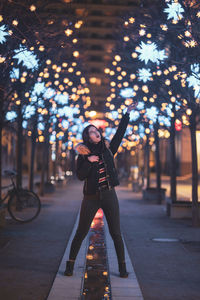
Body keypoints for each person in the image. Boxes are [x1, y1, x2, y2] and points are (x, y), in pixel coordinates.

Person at [64, 103, 137, 278]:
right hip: (91, 197)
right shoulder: (83, 155)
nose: (95, 132)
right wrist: (89, 161)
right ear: (87, 137)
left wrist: (126, 113)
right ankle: (70, 265)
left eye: (96, 130)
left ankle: (122, 267)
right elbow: (80, 176)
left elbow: (120, 132)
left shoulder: (108, 150)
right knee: (81, 232)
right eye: (91, 131)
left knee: (116, 233)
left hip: (109, 195)